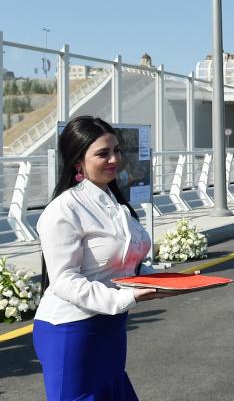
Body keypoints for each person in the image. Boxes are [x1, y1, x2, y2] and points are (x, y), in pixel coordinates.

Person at [33, 116, 173, 400]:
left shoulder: (115, 203)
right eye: (102, 153)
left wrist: (160, 277)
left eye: (116, 150)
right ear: (77, 162)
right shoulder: (63, 210)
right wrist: (126, 298)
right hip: (71, 331)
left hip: (110, 327)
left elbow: (124, 263)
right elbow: (64, 281)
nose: (114, 159)